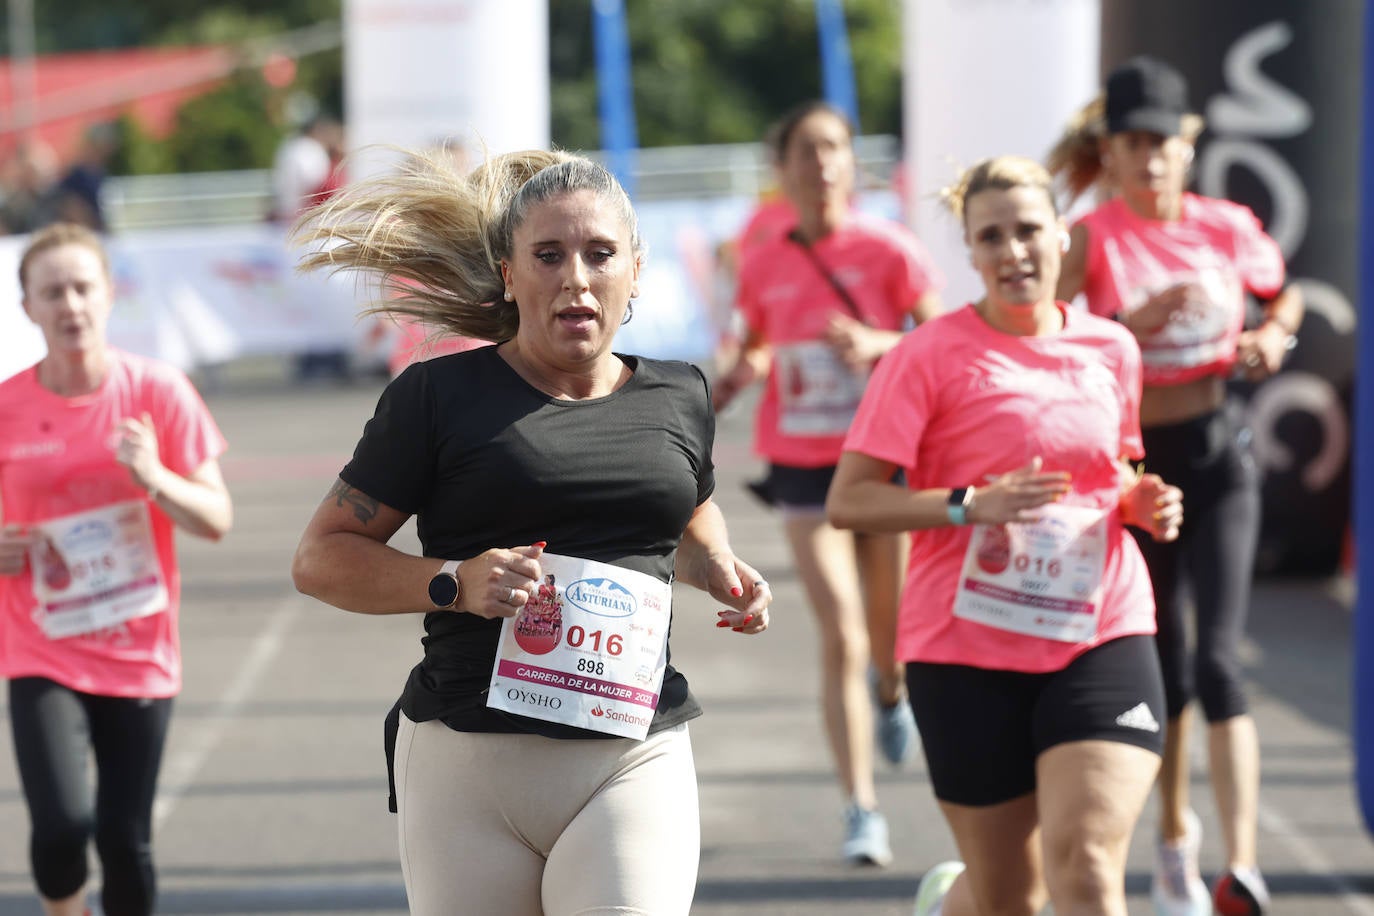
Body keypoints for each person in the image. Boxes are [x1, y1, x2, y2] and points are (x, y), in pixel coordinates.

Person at [289, 148, 773, 916]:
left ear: (636, 272)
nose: (575, 277)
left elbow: (681, 507)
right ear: (510, 276)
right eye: (547, 255)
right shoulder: (438, 396)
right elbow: (321, 560)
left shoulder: (681, 393)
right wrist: (453, 582)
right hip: (469, 765)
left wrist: (714, 561)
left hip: (631, 754)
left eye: (600, 254)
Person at [826, 155, 1185, 915]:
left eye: (1028, 230)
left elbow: (1112, 470)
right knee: (1009, 899)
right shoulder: (925, 355)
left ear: (1061, 233)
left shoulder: (1111, 348)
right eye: (991, 237)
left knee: (1085, 869)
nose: (1014, 251)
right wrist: (968, 505)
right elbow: (850, 501)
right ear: (971, 251)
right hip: (964, 646)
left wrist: (1140, 500)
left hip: (1100, 628)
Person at [1050, 56, 1303, 916]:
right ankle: (1170, 843)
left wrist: (1274, 337)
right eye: (1134, 142)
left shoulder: (1227, 225)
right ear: (1111, 153)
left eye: (1165, 141)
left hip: (1220, 451)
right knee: (1166, 669)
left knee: (1223, 663)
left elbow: (1285, 293)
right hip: (1136, 469)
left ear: (1187, 148)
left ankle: (1244, 869)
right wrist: (1126, 325)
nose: (1152, 157)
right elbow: (1043, 336)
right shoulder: (1094, 236)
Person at [713, 99, 944, 866]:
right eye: (805, 151)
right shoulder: (767, 257)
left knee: (890, 638)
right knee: (840, 631)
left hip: (883, 460)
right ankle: (860, 807)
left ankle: (893, 690)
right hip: (804, 464)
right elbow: (755, 340)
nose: (821, 164)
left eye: (834, 148)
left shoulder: (889, 250)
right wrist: (737, 376)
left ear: (853, 162)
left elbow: (941, 341)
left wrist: (881, 341)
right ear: (781, 171)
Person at [0, 223, 233, 916]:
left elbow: (216, 518)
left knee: (124, 839)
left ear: (108, 296)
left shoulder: (157, 392)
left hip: (138, 649)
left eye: (82, 288)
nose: (70, 305)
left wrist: (154, 476)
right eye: (52, 292)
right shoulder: (7, 407)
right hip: (41, 644)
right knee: (63, 825)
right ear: (28, 308)